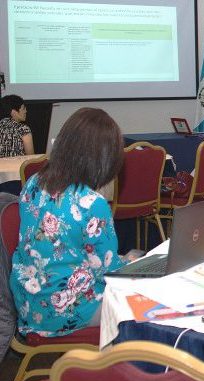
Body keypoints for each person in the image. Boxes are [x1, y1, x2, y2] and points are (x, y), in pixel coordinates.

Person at [10, 108, 125, 337]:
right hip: (66, 312)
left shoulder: (33, 183)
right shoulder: (92, 203)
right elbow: (108, 273)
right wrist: (135, 265)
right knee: (145, 306)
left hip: (28, 304)